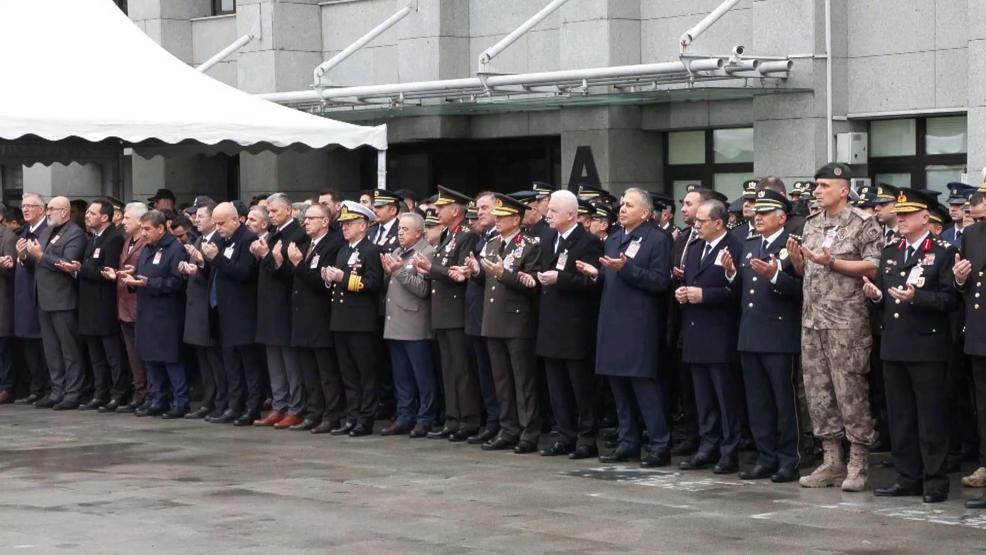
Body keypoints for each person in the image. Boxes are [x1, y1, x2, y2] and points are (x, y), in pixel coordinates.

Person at [787, 162, 883, 492]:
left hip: (846, 322)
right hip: (813, 320)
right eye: (816, 185)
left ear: (843, 190)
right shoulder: (812, 223)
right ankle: (831, 460)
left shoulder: (862, 222)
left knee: (850, 391)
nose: (817, 191)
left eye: (824, 186)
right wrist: (800, 263)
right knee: (817, 392)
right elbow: (809, 272)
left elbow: (873, 265)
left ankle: (858, 461)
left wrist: (834, 262)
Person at [861, 189, 957, 504]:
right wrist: (876, 297)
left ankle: (934, 480)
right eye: (898, 215)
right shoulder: (891, 251)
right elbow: (887, 300)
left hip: (927, 346)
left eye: (906, 215)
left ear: (924, 217)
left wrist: (918, 298)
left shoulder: (942, 251)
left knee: (930, 417)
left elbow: (949, 300)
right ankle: (908, 477)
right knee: (900, 416)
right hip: (895, 344)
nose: (899, 220)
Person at [576, 188, 673, 467]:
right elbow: (610, 276)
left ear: (645, 212)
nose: (622, 209)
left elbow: (659, 282)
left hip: (638, 324)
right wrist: (597, 274)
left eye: (629, 205)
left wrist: (626, 270)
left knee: (644, 386)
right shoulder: (615, 238)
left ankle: (659, 444)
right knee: (618, 385)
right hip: (612, 321)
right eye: (621, 204)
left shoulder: (657, 239)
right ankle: (628, 441)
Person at [722, 189, 803, 482]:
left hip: (780, 334)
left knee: (784, 402)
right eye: (757, 212)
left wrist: (776, 276)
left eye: (765, 213)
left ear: (781, 217)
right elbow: (741, 290)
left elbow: (801, 290)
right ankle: (765, 456)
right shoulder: (750, 243)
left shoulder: (791, 246)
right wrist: (731, 275)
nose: (758, 217)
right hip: (751, 333)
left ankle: (788, 459)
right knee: (758, 402)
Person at [471, 193, 543, 453]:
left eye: (503, 216)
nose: (497, 221)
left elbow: (531, 284)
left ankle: (529, 430)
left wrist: (505, 274)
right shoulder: (491, 244)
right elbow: (486, 281)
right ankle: (508, 428)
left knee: (523, 379)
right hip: (493, 319)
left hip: (517, 320)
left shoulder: (529, 245)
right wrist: (476, 272)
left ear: (516, 218)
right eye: (497, 216)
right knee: (501, 379)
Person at [676, 199, 743, 474]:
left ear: (719, 222)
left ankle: (730, 450)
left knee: (725, 398)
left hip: (720, 334)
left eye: (702, 221)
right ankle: (707, 445)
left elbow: (737, 291)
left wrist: (705, 295)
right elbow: (689, 281)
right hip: (695, 332)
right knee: (703, 397)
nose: (696, 225)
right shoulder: (694, 248)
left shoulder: (735, 247)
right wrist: (682, 291)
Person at [534, 190, 603, 459]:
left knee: (581, 387)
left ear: (571, 215)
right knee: (557, 387)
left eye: (553, 210)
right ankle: (564, 435)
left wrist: (560, 279)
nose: (547, 214)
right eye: (548, 209)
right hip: (551, 325)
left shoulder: (588, 242)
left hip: (575, 328)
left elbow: (592, 284)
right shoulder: (549, 238)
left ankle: (586, 438)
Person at [412, 186, 483, 441]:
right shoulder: (448, 235)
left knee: (462, 369)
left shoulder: (466, 235)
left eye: (442, 208)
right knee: (449, 368)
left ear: (456, 210)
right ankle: (453, 418)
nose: (437, 211)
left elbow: (459, 273)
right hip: (443, 311)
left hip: (456, 310)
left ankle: (468, 419)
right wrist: (428, 270)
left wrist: (431, 268)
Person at [120, 210, 189, 417]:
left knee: (171, 359)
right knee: (150, 358)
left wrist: (149, 283)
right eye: (141, 229)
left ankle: (180, 401)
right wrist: (132, 280)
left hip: (167, 313)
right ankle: (157, 398)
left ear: (161, 228)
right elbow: (143, 275)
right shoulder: (148, 249)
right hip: (146, 310)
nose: (143, 233)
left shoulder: (175, 249)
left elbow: (178, 282)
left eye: (147, 229)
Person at [324, 201, 384, 437]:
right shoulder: (344, 250)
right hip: (341, 319)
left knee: (365, 373)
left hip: (361, 321)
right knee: (348, 373)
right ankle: (352, 415)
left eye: (349, 223)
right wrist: (329, 277)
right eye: (343, 223)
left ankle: (365, 418)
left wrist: (343, 278)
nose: (344, 227)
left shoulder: (371, 250)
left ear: (362, 225)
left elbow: (372, 284)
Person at [203, 202, 263, 426]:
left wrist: (217, 258)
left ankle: (252, 407)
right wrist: (203, 261)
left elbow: (244, 272)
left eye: (221, 223)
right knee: (230, 364)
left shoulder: (246, 239)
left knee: (249, 364)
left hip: (242, 312)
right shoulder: (220, 240)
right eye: (215, 223)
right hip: (222, 311)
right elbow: (214, 271)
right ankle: (234, 404)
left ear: (235, 220)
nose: (217, 227)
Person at [24, 195, 86, 410]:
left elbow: (67, 264)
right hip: (43, 297)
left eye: (52, 209)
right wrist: (25, 255)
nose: (48, 212)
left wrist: (40, 256)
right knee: (51, 349)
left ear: (65, 212)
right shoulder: (47, 231)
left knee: (69, 348)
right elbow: (36, 260)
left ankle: (73, 391)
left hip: (63, 299)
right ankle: (57, 389)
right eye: (48, 208)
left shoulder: (75, 234)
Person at [251, 193, 307, 429]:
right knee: (274, 358)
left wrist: (268, 258)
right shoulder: (274, 234)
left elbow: (288, 274)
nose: (271, 215)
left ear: (289, 210)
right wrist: (261, 257)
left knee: (289, 360)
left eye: (275, 211)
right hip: (268, 304)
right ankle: (279, 403)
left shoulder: (296, 234)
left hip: (285, 304)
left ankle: (296, 406)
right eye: (270, 211)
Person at [288, 203, 345, 434]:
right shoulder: (305, 243)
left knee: (326, 372)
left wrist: (298, 264)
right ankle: (314, 412)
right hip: (302, 316)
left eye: (312, 218)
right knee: (308, 371)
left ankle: (332, 414)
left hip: (320, 316)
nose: (306, 222)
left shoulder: (332, 245)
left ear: (325, 221)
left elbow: (322, 282)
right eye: (305, 218)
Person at [379, 212, 437, 436]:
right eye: (399, 229)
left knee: (422, 375)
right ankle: (405, 416)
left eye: (405, 229)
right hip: (395, 321)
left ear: (419, 232)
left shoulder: (427, 252)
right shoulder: (397, 252)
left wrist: (398, 271)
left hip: (415, 323)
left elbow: (423, 290)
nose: (400, 233)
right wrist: (389, 273)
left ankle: (426, 418)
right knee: (401, 376)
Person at [76, 199, 129, 411]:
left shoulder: (114, 238)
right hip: (89, 305)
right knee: (95, 355)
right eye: (87, 213)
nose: (87, 216)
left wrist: (81, 269)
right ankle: (100, 392)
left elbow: (108, 271)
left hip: (104, 304)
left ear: (104, 217)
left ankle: (119, 393)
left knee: (112, 354)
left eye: (91, 213)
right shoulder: (92, 238)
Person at [179, 202, 227, 421]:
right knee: (204, 359)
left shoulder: (217, 240)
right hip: (195, 304)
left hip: (208, 307)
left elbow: (212, 274)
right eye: (195, 216)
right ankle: (208, 400)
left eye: (201, 216)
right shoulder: (199, 239)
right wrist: (189, 268)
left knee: (214, 360)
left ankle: (219, 400)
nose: (196, 220)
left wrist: (199, 264)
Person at [462, 191, 500, 444]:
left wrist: (477, 272)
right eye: (478, 208)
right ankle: (492, 421)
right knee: (484, 374)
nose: (480, 212)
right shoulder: (481, 238)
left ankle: (500, 422)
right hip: (477, 314)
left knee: (498, 375)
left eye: (485, 207)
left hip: (496, 316)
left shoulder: (502, 239)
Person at [955, 196, 986, 508]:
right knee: (983, 407)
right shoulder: (972, 234)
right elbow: (964, 286)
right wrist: (959, 279)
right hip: (980, 332)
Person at [104, 202, 149, 414]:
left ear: (140, 221)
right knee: (132, 354)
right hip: (123, 304)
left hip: (139, 305)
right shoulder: (127, 241)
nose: (122, 222)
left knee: (143, 353)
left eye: (127, 219)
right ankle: (138, 393)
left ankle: (148, 394)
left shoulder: (146, 242)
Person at [11, 194, 49, 405]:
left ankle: (47, 386)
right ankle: (36, 386)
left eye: (30, 206)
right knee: (28, 342)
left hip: (41, 294)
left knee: (43, 343)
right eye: (23, 206)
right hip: (24, 295)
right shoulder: (24, 232)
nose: (25, 209)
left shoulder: (47, 232)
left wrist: (26, 257)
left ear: (41, 209)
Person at [0, 204, 18, 403]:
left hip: (3, 300)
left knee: (3, 347)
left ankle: (6, 386)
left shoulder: (8, 237)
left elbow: (10, 268)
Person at [941, 182, 977, 247]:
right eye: (951, 204)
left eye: (958, 205)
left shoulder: (979, 234)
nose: (952, 209)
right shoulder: (944, 234)